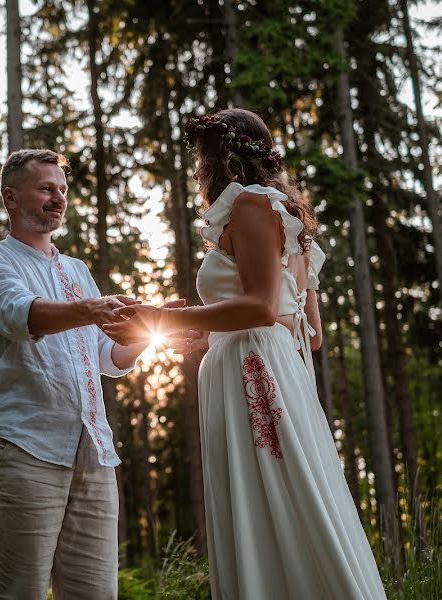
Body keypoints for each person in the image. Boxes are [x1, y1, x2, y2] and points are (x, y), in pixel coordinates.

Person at [105, 109, 387, 599]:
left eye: (200, 159)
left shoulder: (253, 206)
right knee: (285, 491)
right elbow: (310, 332)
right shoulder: (290, 221)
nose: (198, 171)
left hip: (253, 371)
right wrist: (211, 332)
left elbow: (257, 307)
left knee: (269, 492)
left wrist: (162, 317)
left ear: (222, 159)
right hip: (277, 365)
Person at [0, 149, 180, 600]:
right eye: (45, 188)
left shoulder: (77, 270)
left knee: (96, 593)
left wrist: (159, 328)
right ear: (10, 197)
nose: (58, 198)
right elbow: (20, 316)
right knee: (18, 591)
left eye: (62, 189)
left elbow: (109, 356)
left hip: (94, 451)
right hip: (25, 445)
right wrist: (90, 309)